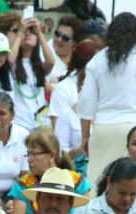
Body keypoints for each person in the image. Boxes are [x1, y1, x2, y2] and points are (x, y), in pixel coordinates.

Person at [78, 13, 136, 185]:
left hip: (104, 129)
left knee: (98, 184)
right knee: (134, 185)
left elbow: (86, 103)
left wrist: (85, 135)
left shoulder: (97, 60)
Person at [8, 128, 89, 214]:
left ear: (52, 155)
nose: (29, 160)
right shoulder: (22, 185)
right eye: (28, 154)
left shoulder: (78, 182)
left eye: (33, 154)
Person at [46, 40, 96, 170]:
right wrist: (81, 149)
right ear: (79, 88)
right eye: (84, 86)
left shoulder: (107, 112)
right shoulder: (66, 112)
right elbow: (60, 152)